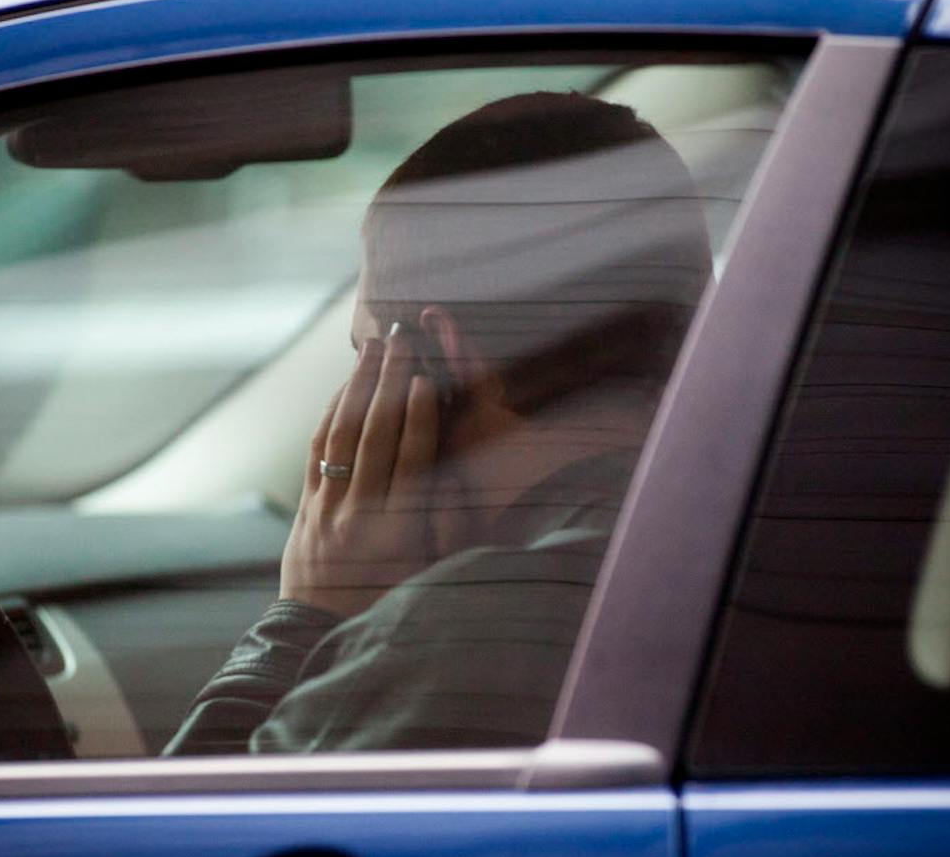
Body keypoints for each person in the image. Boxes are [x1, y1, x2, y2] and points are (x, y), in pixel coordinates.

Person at [164, 91, 712, 754]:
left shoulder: (458, 631)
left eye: (365, 351)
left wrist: (305, 619)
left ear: (445, 353)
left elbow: (188, 853)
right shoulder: (754, 539)